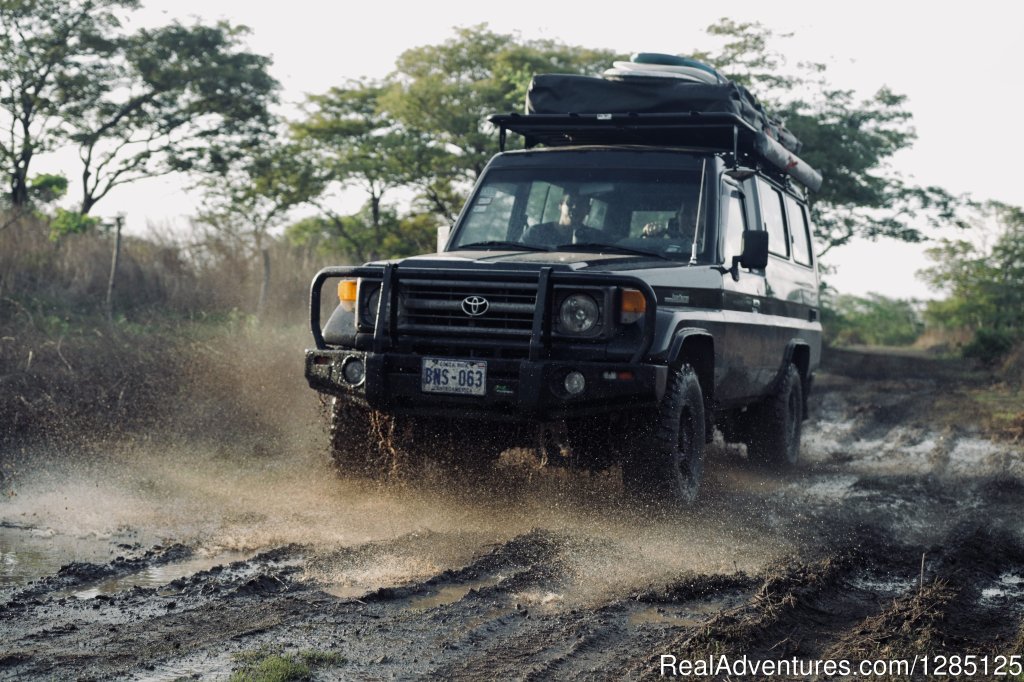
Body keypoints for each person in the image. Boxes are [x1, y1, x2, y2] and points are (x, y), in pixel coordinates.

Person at [523, 190, 593, 246]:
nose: (575, 208)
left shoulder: (594, 238)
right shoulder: (536, 232)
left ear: (588, 210)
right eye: (570, 203)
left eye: (580, 204)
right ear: (560, 205)